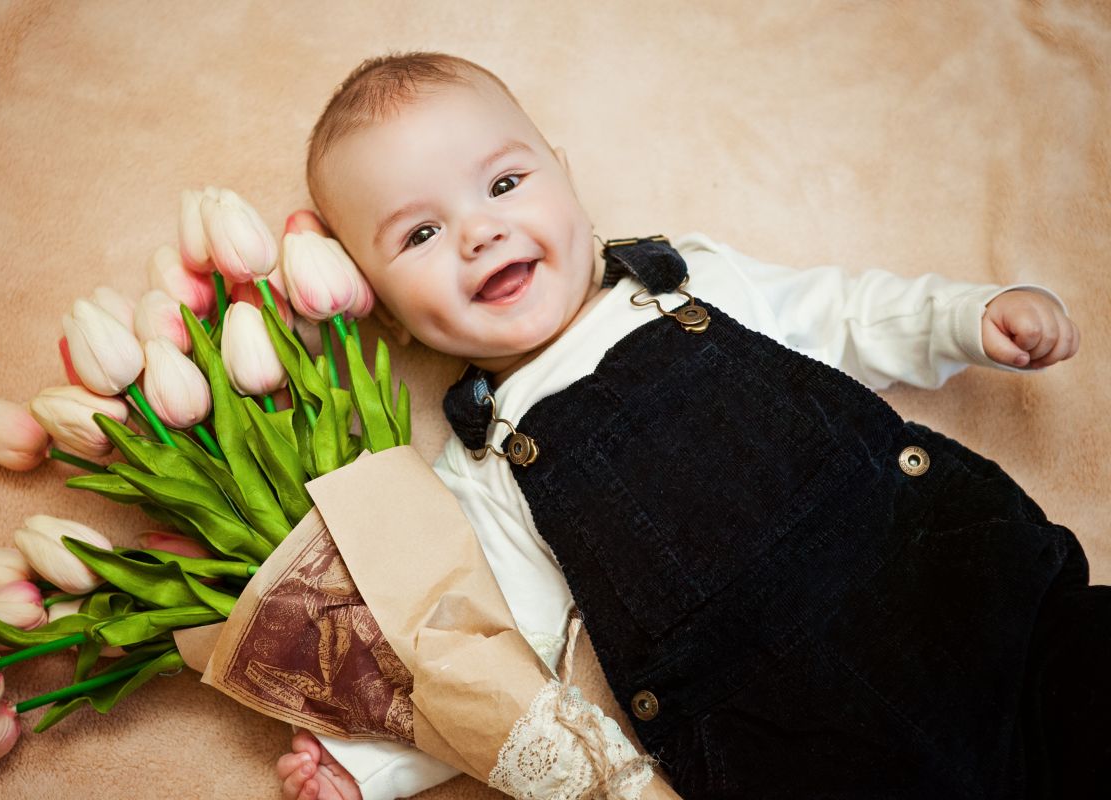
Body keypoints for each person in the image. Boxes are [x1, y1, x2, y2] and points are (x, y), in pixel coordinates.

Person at [277, 50, 1104, 800]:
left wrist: (968, 317)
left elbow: (841, 313)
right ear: (381, 310)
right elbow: (491, 659)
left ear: (564, 177)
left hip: (950, 585)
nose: (479, 231)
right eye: (421, 233)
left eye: (503, 185)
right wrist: (369, 766)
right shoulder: (488, 462)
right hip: (783, 735)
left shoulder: (686, 283)